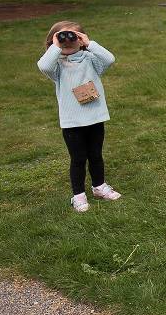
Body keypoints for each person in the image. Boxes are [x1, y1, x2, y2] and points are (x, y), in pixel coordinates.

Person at [37, 21, 122, 213]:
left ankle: (99, 187)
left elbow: (109, 59)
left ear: (81, 39)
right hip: (72, 122)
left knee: (96, 155)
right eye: (62, 37)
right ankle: (78, 195)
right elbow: (43, 65)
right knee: (78, 158)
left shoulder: (90, 59)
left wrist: (89, 43)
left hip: (95, 118)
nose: (67, 40)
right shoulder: (57, 66)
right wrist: (56, 46)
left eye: (72, 36)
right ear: (54, 42)